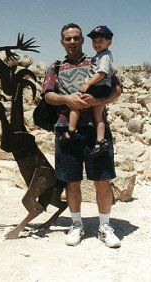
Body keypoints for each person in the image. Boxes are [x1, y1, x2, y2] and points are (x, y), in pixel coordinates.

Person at [42, 23, 122, 248]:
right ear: (62, 41)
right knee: (71, 180)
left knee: (102, 179)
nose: (72, 42)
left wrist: (97, 101)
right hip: (66, 130)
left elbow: (117, 89)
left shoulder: (96, 61)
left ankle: (105, 226)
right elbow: (48, 96)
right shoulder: (55, 67)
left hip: (95, 129)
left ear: (82, 41)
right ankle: (76, 224)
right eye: (68, 38)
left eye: (76, 38)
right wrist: (67, 100)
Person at [62, 25, 115, 159]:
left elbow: (102, 74)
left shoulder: (104, 57)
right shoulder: (100, 56)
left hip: (98, 87)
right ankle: (100, 141)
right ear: (62, 41)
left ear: (109, 42)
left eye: (100, 41)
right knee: (98, 117)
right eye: (95, 41)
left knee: (75, 102)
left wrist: (88, 84)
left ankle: (71, 131)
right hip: (101, 88)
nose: (97, 44)